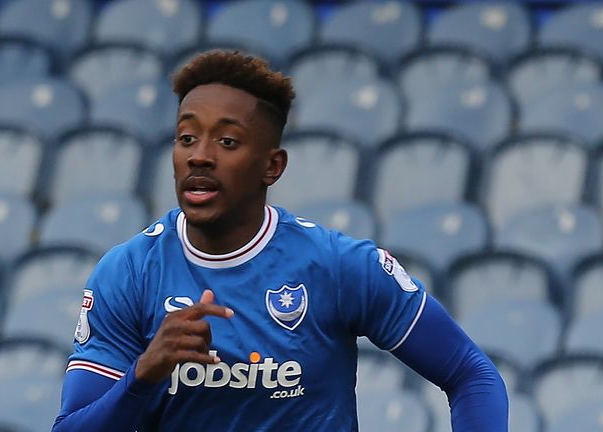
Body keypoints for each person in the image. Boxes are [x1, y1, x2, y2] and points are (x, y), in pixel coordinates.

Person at [53, 50, 508, 431]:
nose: (200, 156)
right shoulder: (128, 272)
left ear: (273, 166)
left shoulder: (338, 266)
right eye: (186, 137)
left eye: (227, 142)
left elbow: (471, 375)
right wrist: (143, 374)